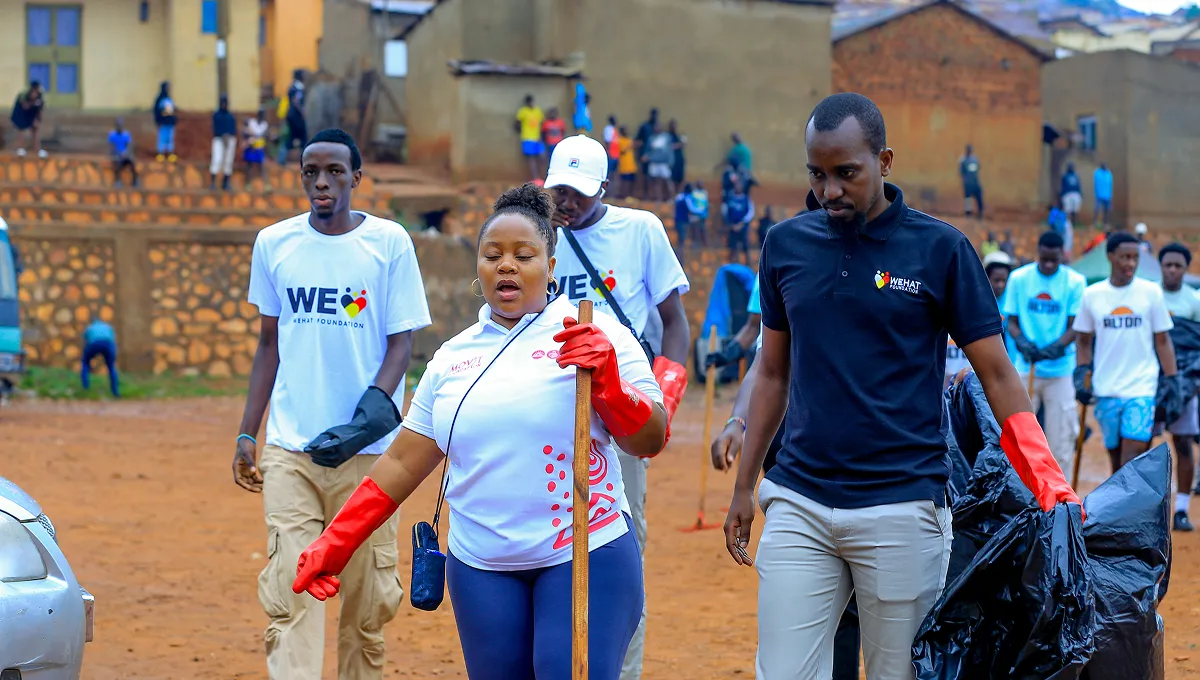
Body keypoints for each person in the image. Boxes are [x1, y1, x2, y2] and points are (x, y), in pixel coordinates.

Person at [723, 93, 1081, 679]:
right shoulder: (785, 246)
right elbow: (772, 372)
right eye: (817, 174)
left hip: (902, 506)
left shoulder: (941, 249)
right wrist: (744, 487)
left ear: (884, 161)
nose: (829, 191)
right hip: (799, 501)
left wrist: (1048, 480)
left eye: (846, 173)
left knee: (900, 673)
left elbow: (996, 373)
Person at [292, 183, 665, 679]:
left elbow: (650, 439)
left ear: (551, 265)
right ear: (479, 267)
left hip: (585, 550)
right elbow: (401, 462)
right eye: (493, 255)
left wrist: (610, 386)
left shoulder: (597, 335)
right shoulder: (451, 359)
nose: (506, 265)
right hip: (481, 567)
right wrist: (335, 543)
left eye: (523, 255)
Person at [232, 128, 432, 680]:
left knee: (366, 609)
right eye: (311, 172)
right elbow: (268, 345)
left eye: (334, 172)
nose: (321, 182)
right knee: (290, 594)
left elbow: (401, 345)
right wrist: (248, 433)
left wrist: (367, 419)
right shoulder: (275, 244)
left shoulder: (389, 243)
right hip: (291, 452)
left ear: (356, 178)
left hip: (369, 459)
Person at [543, 134, 691, 680]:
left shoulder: (640, 231)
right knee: (548, 540)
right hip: (550, 408)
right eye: (560, 190)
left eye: (580, 192)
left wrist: (664, 396)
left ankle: (621, 672)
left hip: (619, 411)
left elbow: (675, 323)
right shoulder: (537, 235)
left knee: (622, 544)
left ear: (604, 187)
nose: (568, 202)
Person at [708, 278, 861, 680]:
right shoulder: (782, 259)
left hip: (864, 459)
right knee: (803, 587)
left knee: (850, 600)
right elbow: (765, 359)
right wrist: (738, 421)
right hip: (791, 447)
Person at [1073, 232, 1180, 475]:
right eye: (1125, 257)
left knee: (1132, 459)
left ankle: (1130, 501)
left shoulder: (1151, 292)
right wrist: (1081, 372)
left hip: (1141, 387)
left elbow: (1163, 340)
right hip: (1106, 387)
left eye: (1135, 257)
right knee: (1116, 460)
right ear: (1110, 256)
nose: (1131, 263)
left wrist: (1173, 379)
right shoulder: (1093, 295)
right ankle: (1121, 500)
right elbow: (1083, 340)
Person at [1005, 231, 1087, 474]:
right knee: (1019, 435)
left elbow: (1075, 325)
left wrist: (1057, 347)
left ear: (1063, 255)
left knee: (1061, 440)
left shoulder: (1075, 282)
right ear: (1037, 254)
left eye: (1054, 260)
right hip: (1025, 368)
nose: (1049, 264)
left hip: (1060, 371)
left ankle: (1062, 493)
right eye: (1045, 259)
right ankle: (1018, 489)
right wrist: (1021, 341)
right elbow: (1011, 321)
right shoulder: (1019, 278)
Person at [1156, 242, 1199, 531]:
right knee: (1141, 442)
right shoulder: (1150, 296)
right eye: (1167, 265)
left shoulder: (1194, 302)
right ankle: (1141, 509)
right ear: (1161, 266)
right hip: (1150, 381)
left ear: (1185, 269)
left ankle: (1181, 510)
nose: (1172, 270)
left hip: (1184, 383)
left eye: (1178, 266)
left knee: (1183, 442)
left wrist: (1191, 383)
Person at [946, 251, 1012, 386]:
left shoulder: (1011, 300)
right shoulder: (974, 301)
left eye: (1004, 280)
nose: (1000, 285)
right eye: (996, 280)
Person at [80, 318, 119, 398]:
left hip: (94, 344)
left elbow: (85, 340)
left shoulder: (90, 327)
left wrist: (87, 353)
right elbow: (113, 340)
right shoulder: (107, 326)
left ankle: (85, 388)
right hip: (108, 344)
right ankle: (115, 392)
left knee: (85, 363)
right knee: (111, 367)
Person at [10, 81, 46, 159]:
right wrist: (33, 103)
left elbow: (39, 110)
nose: (35, 94)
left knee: (35, 128)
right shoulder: (23, 95)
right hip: (20, 112)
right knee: (20, 128)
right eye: (33, 92)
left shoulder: (40, 96)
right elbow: (24, 106)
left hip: (32, 112)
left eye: (36, 92)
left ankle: (37, 150)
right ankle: (20, 149)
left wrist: (37, 119)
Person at [514, 94, 546, 182]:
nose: (531, 104)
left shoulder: (537, 110)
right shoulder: (523, 111)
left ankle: (540, 176)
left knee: (542, 157)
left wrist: (541, 135)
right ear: (526, 103)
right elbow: (517, 123)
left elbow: (542, 122)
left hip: (538, 138)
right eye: (529, 102)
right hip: (527, 138)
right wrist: (523, 131)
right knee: (531, 159)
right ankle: (535, 178)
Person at [641, 122, 674, 203]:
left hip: (664, 163)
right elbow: (648, 150)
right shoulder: (651, 139)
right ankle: (658, 198)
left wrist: (671, 161)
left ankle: (672, 198)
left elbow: (670, 150)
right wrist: (646, 156)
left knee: (667, 180)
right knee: (656, 181)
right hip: (654, 162)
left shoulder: (666, 137)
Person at [211, 96, 238, 191]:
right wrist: (223, 135)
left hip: (230, 140)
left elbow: (233, 129)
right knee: (217, 159)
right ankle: (213, 182)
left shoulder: (230, 116)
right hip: (219, 140)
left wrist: (228, 136)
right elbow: (215, 129)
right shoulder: (216, 115)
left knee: (228, 161)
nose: (224, 105)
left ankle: (226, 182)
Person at [722, 181, 753, 265]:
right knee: (733, 248)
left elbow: (750, 212)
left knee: (746, 248)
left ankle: (748, 265)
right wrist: (731, 224)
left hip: (743, 227)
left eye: (739, 186)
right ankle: (732, 265)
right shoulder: (730, 198)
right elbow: (725, 211)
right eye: (736, 186)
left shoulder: (746, 199)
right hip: (732, 227)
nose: (737, 188)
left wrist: (741, 224)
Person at [243, 107, 272, 191]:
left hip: (259, 148)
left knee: (262, 166)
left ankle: (266, 185)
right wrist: (249, 138)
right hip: (251, 147)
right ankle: (248, 184)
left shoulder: (264, 125)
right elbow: (245, 131)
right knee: (249, 166)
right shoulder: (252, 123)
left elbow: (266, 137)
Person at [108, 117, 139, 188]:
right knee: (117, 163)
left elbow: (129, 145)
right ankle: (117, 180)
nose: (119, 126)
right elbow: (111, 147)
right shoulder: (112, 135)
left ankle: (135, 180)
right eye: (118, 125)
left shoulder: (126, 134)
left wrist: (126, 153)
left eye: (120, 125)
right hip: (116, 155)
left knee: (131, 163)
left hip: (125, 155)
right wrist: (117, 153)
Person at [153, 82, 178, 162]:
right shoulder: (159, 99)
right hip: (163, 123)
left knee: (170, 138)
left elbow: (173, 110)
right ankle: (160, 154)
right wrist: (158, 120)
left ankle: (170, 154)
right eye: (167, 87)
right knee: (162, 138)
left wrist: (174, 119)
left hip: (170, 122)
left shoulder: (169, 99)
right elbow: (157, 111)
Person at [960, 144, 982, 219]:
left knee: (979, 198)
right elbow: (962, 172)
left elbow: (978, 168)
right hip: (968, 183)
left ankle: (980, 213)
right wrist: (965, 181)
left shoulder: (974, 159)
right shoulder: (963, 160)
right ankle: (968, 213)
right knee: (968, 199)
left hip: (975, 182)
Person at [615, 126, 637, 200]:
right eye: (625, 130)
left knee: (631, 182)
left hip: (631, 165)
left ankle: (630, 196)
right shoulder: (619, 140)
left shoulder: (630, 140)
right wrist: (629, 146)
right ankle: (624, 196)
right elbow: (621, 151)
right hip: (624, 165)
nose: (627, 132)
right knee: (625, 182)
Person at [686, 181, 710, 248]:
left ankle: (705, 244)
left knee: (703, 229)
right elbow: (692, 203)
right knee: (695, 229)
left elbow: (706, 203)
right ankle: (695, 243)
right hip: (695, 215)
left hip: (703, 215)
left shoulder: (705, 193)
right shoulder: (694, 193)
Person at [668, 119, 687, 194]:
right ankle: (673, 195)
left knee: (680, 179)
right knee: (671, 179)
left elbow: (684, 144)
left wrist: (679, 145)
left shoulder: (679, 136)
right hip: (672, 160)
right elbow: (670, 146)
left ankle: (678, 194)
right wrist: (679, 145)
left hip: (679, 159)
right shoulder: (668, 136)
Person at [1093, 162, 1113, 228]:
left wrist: (1110, 195)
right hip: (1099, 194)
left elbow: (1110, 184)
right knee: (1097, 209)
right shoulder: (1097, 173)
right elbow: (1096, 183)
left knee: (1107, 210)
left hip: (1107, 195)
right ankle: (1095, 223)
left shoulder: (1108, 173)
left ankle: (1106, 223)